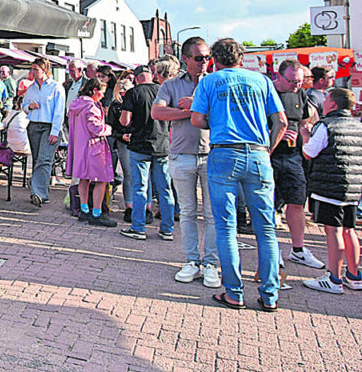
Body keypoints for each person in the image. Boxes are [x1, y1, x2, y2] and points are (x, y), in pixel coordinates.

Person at [190, 38, 286, 311]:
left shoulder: (208, 82)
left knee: (226, 227)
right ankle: (270, 294)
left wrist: (218, 121)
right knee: (266, 228)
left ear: (214, 60)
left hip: (223, 153)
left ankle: (234, 292)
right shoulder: (262, 81)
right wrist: (267, 148)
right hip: (257, 152)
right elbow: (281, 121)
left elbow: (197, 119)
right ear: (241, 58)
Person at [152, 37, 220, 288]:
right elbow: (157, 112)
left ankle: (211, 263)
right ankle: (192, 260)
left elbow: (226, 113)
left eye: (207, 57)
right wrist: (190, 114)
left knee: (213, 213)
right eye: (199, 57)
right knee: (189, 212)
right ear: (185, 59)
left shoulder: (215, 83)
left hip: (212, 154)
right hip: (181, 154)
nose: (205, 62)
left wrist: (197, 108)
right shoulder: (171, 85)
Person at [301, 88, 362, 294]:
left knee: (333, 230)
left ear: (333, 104)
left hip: (330, 185)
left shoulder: (326, 125)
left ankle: (334, 278)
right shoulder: (360, 127)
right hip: (353, 186)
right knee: (349, 229)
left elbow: (309, 152)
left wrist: (305, 135)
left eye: (327, 99)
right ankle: (354, 276)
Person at [269, 60, 326, 269]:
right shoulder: (267, 92)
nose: (296, 85)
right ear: (278, 76)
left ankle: (299, 249)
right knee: (267, 203)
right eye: (292, 81)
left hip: (293, 155)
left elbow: (303, 121)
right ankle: (270, 250)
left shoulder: (300, 93)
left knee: (297, 201)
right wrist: (275, 135)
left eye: (300, 81)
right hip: (270, 155)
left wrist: (307, 137)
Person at [120, 65, 174, 241]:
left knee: (140, 188)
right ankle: (167, 228)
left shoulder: (132, 93)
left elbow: (125, 120)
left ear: (136, 78)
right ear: (152, 75)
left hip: (139, 145)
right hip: (162, 145)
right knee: (165, 188)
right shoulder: (163, 90)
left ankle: (138, 227)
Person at [67, 78, 117, 227]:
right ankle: (97, 212)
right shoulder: (91, 107)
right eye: (102, 92)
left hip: (80, 147)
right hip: (94, 147)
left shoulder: (76, 105)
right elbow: (96, 129)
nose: (103, 95)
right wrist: (109, 128)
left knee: (83, 178)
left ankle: (84, 210)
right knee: (101, 180)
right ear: (94, 90)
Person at [23, 58, 65, 207]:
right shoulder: (31, 88)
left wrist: (55, 131)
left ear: (45, 70)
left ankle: (38, 193)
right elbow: (24, 106)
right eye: (32, 69)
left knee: (44, 159)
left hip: (49, 126)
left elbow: (59, 112)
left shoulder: (56, 87)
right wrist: (30, 107)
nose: (33, 72)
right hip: (34, 125)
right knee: (37, 160)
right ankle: (43, 192)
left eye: (36, 69)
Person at [106, 70, 134, 219]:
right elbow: (111, 127)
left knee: (134, 175)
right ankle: (129, 205)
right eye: (121, 92)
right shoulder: (115, 106)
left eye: (125, 92)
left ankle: (135, 205)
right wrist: (121, 135)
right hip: (121, 142)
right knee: (127, 174)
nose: (123, 95)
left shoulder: (136, 103)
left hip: (135, 140)